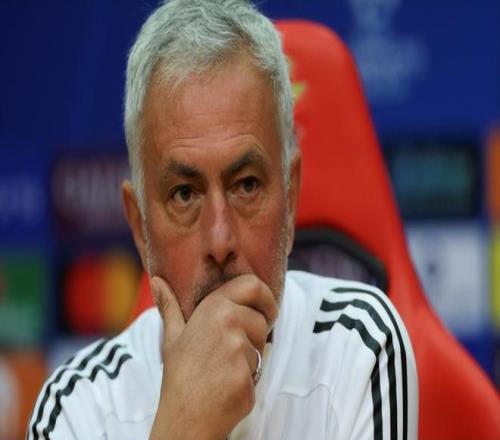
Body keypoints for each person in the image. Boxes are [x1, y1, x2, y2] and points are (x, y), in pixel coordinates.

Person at [28, 0, 418, 438]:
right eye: (184, 194)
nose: (220, 239)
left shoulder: (359, 347)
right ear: (140, 228)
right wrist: (185, 424)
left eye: (246, 185)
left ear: (290, 201)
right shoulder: (77, 408)